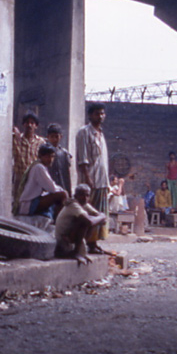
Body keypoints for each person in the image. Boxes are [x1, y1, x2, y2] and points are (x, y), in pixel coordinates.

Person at [75, 104, 110, 253]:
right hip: (90, 181)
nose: (100, 116)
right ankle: (83, 243)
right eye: (97, 114)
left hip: (102, 180)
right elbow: (82, 159)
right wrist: (88, 179)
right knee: (88, 213)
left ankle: (93, 243)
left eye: (102, 114)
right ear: (90, 115)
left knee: (100, 213)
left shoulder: (101, 134)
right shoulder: (84, 132)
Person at [54, 184, 107, 265]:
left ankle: (80, 250)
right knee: (83, 221)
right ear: (76, 196)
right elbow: (90, 221)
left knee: (90, 220)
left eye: (87, 195)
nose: (85, 198)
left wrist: (100, 217)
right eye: (82, 195)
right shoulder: (73, 204)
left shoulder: (84, 204)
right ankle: (75, 252)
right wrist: (102, 216)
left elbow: (99, 217)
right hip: (63, 241)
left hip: (70, 237)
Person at [17, 144, 68, 218]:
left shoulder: (39, 166)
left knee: (61, 194)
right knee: (62, 195)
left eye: (52, 156)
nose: (50, 159)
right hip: (29, 203)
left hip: (34, 200)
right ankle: (59, 222)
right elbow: (51, 188)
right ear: (40, 156)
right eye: (47, 157)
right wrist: (61, 190)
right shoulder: (39, 167)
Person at [12, 113, 45, 208]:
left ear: (36, 126)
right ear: (23, 124)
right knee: (18, 204)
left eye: (32, 123)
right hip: (20, 178)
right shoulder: (16, 139)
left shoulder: (40, 142)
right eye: (27, 122)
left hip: (34, 179)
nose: (29, 125)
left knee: (32, 205)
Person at [45, 123, 73, 193]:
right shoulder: (45, 152)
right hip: (49, 185)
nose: (54, 139)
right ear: (48, 137)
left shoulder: (64, 153)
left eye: (56, 137)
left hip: (62, 184)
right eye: (52, 137)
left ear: (61, 136)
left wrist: (68, 190)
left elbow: (67, 174)